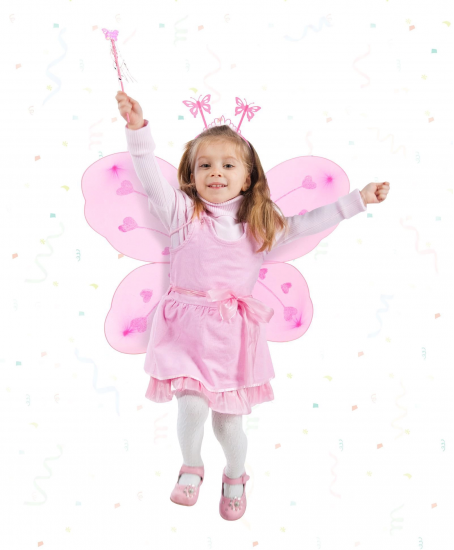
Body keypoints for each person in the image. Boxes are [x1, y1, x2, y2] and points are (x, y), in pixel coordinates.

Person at [115, 91, 390, 519]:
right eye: (205, 165)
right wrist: (137, 129)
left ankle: (235, 474)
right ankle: (191, 466)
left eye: (228, 165)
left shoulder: (259, 223)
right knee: (191, 406)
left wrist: (358, 200)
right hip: (184, 329)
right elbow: (148, 173)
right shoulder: (182, 214)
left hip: (230, 336)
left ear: (247, 178)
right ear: (191, 175)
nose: (216, 172)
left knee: (228, 422)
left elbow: (306, 223)